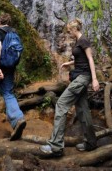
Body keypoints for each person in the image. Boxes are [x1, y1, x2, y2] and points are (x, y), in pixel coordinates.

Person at [40, 18, 100, 158]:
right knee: (83, 109)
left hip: (82, 79)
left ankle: (55, 146)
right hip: (80, 76)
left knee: (61, 104)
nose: (69, 34)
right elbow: (82, 60)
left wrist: (95, 79)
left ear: (74, 29)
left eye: (69, 31)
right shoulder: (79, 42)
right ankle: (91, 143)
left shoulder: (83, 40)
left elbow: (90, 59)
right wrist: (69, 63)